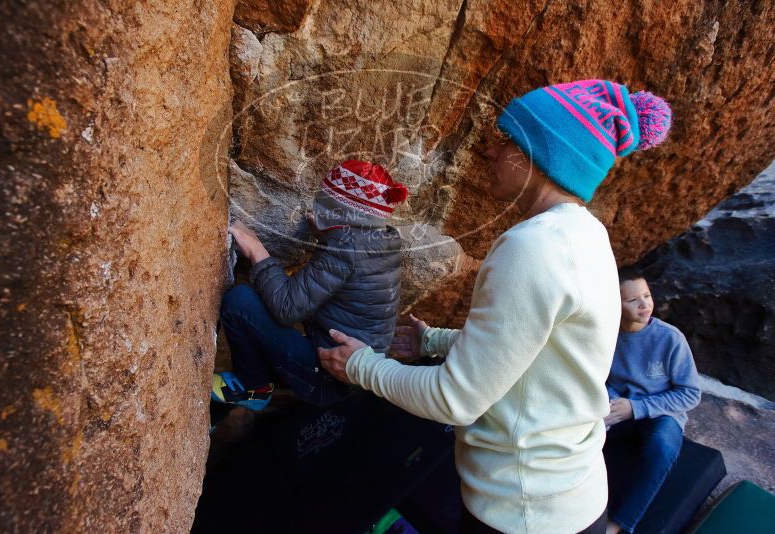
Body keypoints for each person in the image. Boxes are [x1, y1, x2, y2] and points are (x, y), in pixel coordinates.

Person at [318, 80, 673, 533]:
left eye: (506, 139)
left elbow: (455, 400)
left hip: (523, 512)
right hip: (571, 497)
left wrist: (360, 366)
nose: (490, 150)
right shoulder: (586, 235)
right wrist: (435, 340)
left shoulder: (532, 249)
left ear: (534, 156)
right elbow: (540, 353)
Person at [211, 160, 409, 410]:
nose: (323, 210)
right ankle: (241, 394)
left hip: (326, 375)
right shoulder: (382, 240)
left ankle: (253, 387)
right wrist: (330, 234)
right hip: (349, 370)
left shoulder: (346, 249)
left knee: (240, 302)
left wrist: (256, 250)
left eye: (330, 206)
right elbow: (349, 262)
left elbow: (287, 307)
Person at [603, 268, 702, 534]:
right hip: (619, 408)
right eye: (633, 300)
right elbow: (604, 380)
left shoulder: (670, 338)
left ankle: (617, 524)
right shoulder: (606, 336)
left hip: (662, 414)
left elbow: (691, 393)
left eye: (647, 295)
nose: (644, 304)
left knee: (661, 446)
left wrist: (636, 408)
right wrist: (611, 404)